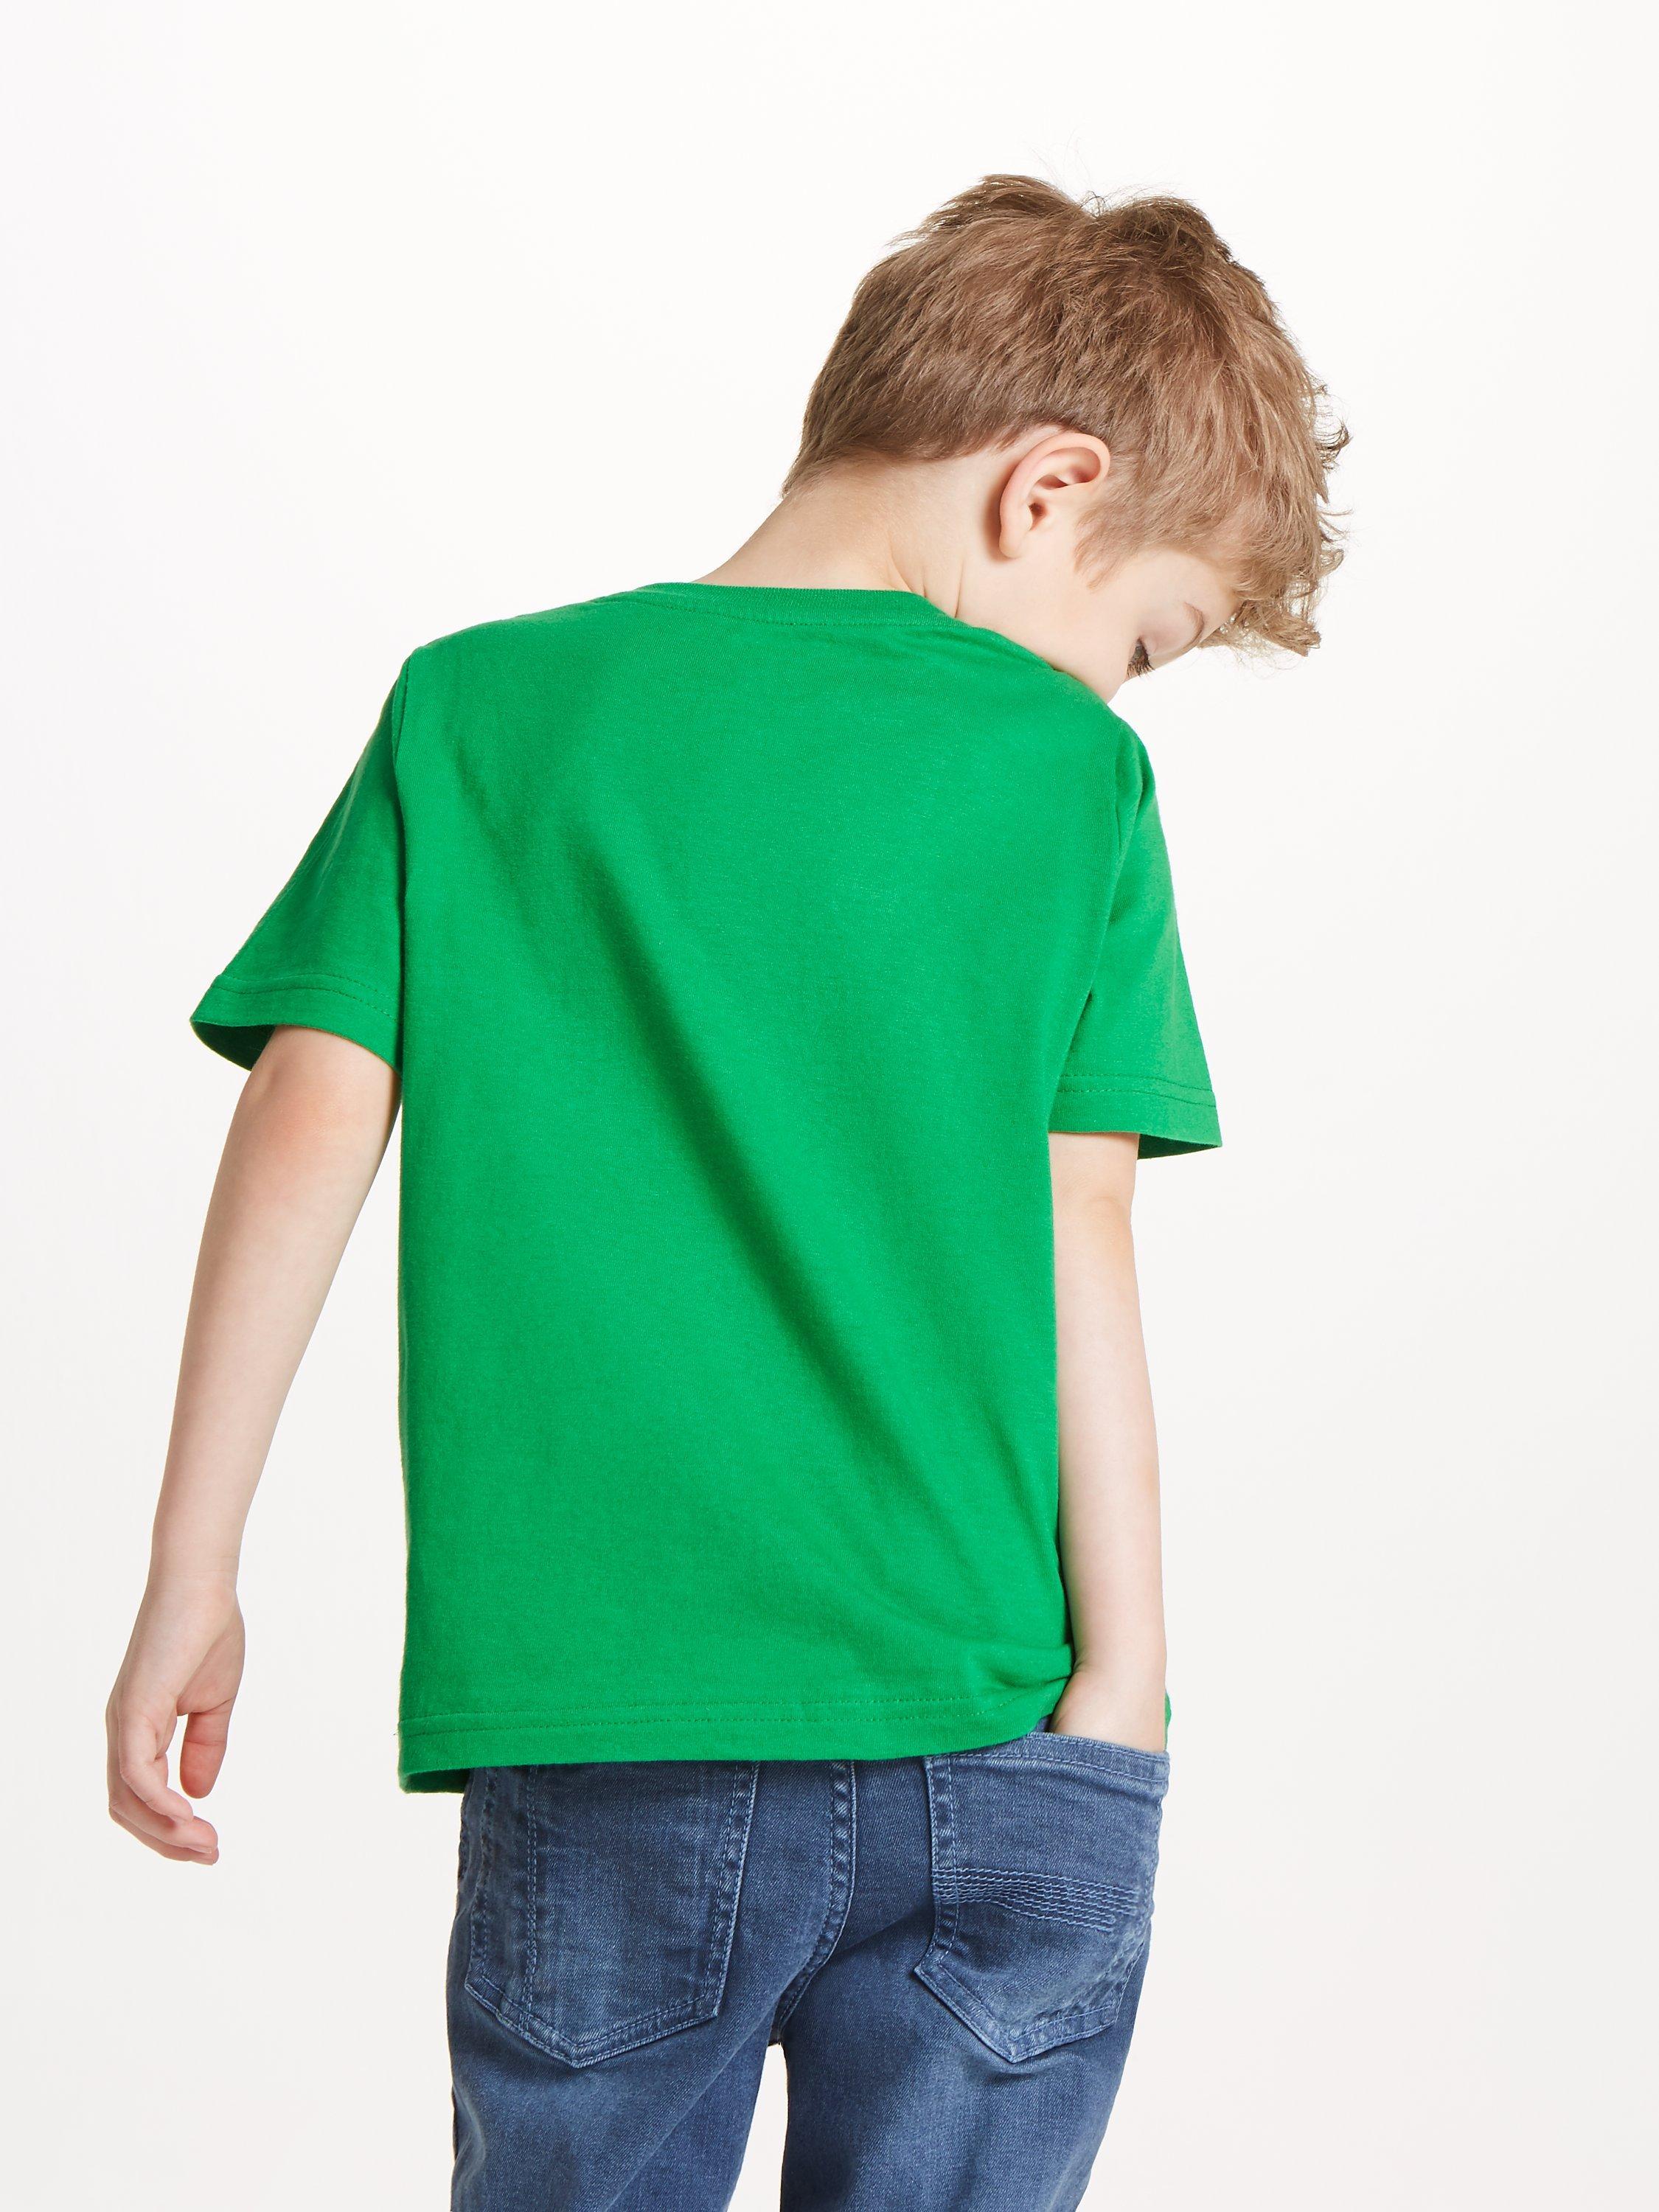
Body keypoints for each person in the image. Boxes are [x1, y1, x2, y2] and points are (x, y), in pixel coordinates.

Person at [107, 175, 1344, 2208]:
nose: (1113, 695)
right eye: (1143, 641)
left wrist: (194, 1566)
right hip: (993, 1723)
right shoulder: (1068, 779)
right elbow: (1083, 1229)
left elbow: (308, 1124)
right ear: (1046, 490)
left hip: (613, 1731)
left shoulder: (479, 711)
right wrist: (1120, 1690)